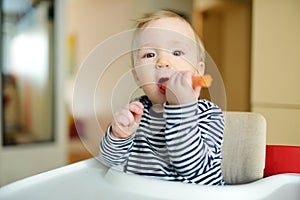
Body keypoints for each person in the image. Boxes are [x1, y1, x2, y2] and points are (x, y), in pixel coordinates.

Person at [99, 10, 225, 185]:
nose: (163, 61)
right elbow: (108, 162)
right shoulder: (136, 111)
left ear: (199, 70)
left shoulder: (209, 114)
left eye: (177, 53)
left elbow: (191, 168)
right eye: (150, 55)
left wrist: (181, 109)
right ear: (137, 76)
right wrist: (119, 136)